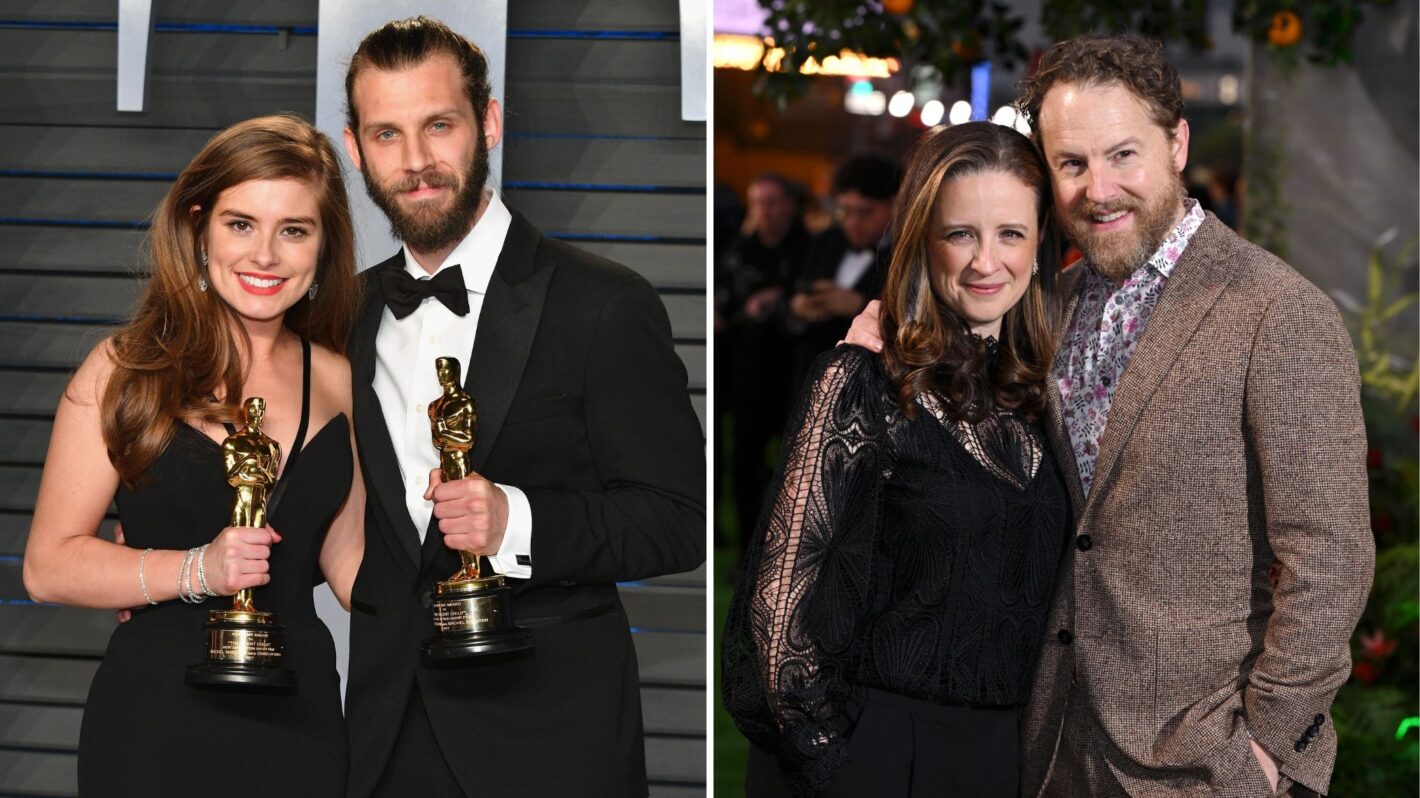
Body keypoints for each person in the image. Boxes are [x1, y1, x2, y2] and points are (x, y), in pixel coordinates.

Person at [846, 35, 1373, 798]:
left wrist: (1264, 746)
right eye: (1072, 163)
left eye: (1123, 155)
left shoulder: (1277, 313)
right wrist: (888, 340)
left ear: (1177, 144)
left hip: (1205, 767)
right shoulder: (1050, 304)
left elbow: (1330, 558)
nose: (1099, 189)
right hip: (1055, 744)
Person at [337, 18, 705, 797]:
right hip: (383, 738)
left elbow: (680, 519)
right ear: (353, 147)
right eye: (386, 134)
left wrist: (517, 523)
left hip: (550, 743)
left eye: (439, 125)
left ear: (490, 123)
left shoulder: (603, 304)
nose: (416, 162)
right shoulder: (346, 314)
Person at [723, 121, 1070, 797]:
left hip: (1002, 758)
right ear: (923, 238)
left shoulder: (1035, 397)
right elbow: (778, 618)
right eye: (960, 233)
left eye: (1011, 234)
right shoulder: (863, 381)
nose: (985, 261)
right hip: (880, 754)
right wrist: (837, 759)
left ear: (1040, 246)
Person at [22, 114, 366, 796]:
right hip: (156, 723)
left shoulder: (342, 379)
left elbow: (352, 566)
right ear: (199, 226)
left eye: (293, 230)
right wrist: (197, 570)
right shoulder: (123, 368)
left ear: (324, 248)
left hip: (301, 725)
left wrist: (481, 554)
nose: (264, 255)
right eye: (241, 224)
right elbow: (48, 565)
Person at [786, 154, 901, 392]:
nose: (853, 223)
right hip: (809, 368)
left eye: (865, 212)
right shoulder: (825, 240)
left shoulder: (906, 253)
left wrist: (858, 305)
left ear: (895, 203)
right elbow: (791, 290)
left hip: (870, 379)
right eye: (845, 212)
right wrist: (798, 306)